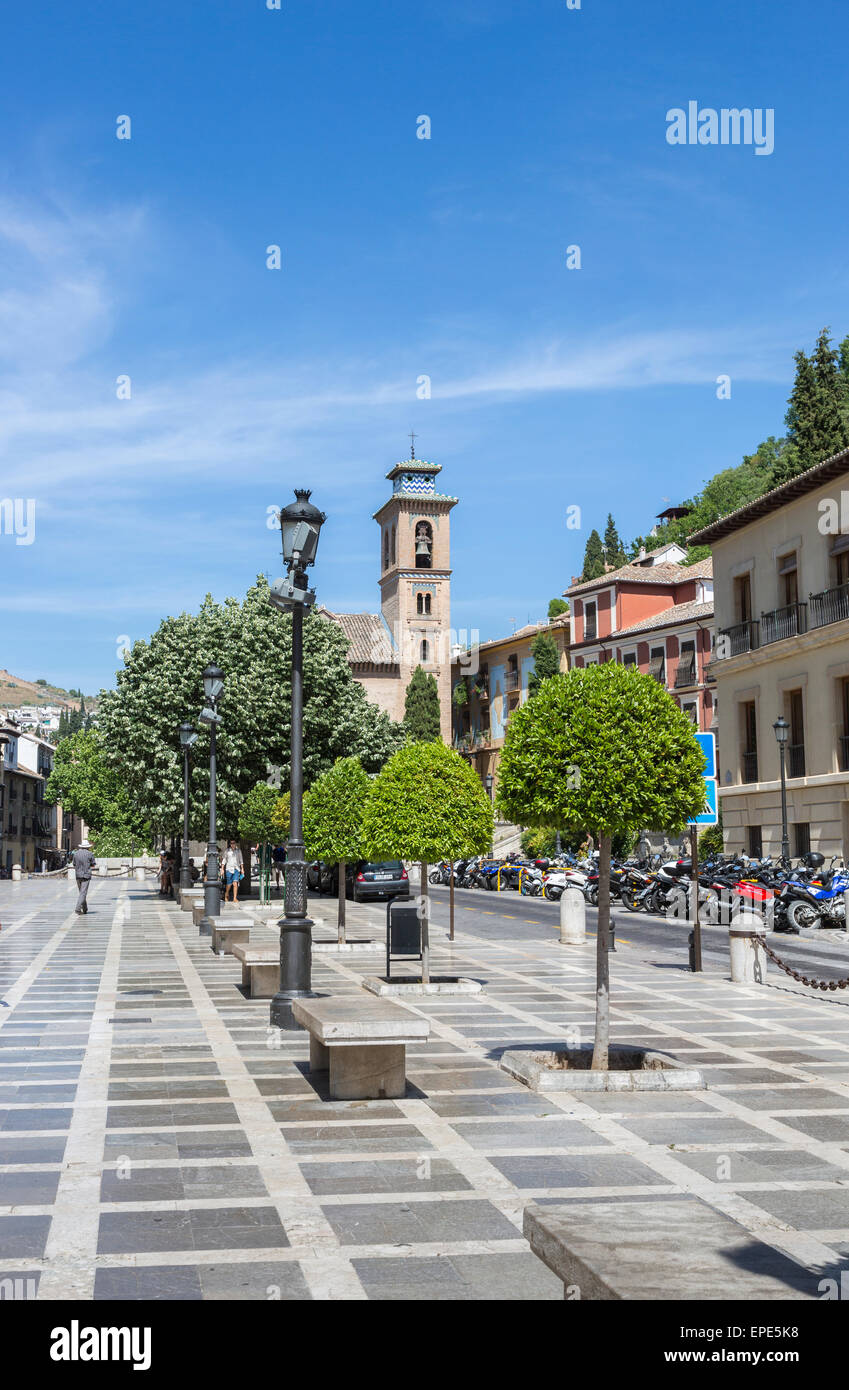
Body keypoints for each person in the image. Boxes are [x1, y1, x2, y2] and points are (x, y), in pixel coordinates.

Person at [72, 840, 96, 915]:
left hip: (78, 875)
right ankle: (78, 909)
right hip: (86, 875)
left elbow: (74, 864)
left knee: (82, 892)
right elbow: (93, 864)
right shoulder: (90, 854)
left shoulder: (76, 854)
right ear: (88, 847)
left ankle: (85, 909)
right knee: (83, 893)